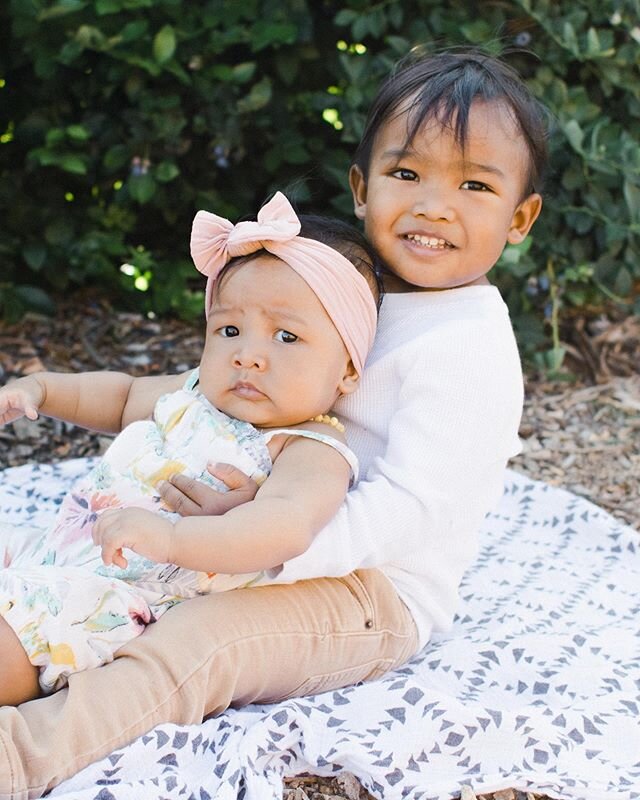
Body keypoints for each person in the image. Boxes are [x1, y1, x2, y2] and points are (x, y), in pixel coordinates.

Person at [0, 48, 547, 798]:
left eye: (475, 185)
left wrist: (262, 543)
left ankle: (22, 753)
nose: (433, 205)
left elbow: (410, 512)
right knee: (61, 563)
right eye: (407, 174)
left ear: (520, 217)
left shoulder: (470, 349)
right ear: (362, 188)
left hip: (363, 588)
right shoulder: (340, 283)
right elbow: (190, 388)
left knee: (198, 645)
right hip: (238, 532)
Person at [0, 191, 381, 703]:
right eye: (229, 329)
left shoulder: (309, 447)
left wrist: (172, 538)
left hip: (124, 597)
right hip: (60, 545)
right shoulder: (194, 391)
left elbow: (285, 527)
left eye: (286, 338)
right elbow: (121, 396)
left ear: (349, 368)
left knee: (28, 630)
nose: (248, 356)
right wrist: (42, 390)